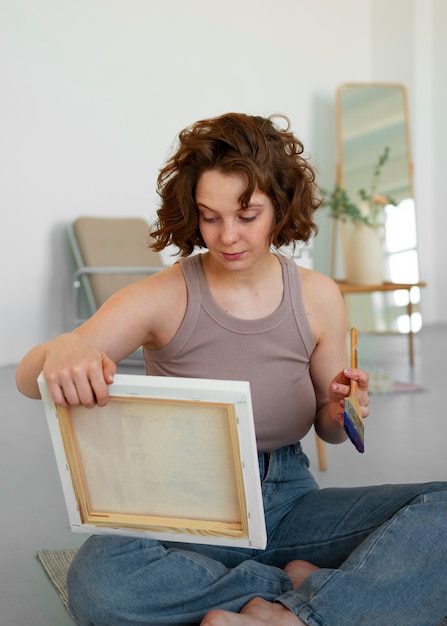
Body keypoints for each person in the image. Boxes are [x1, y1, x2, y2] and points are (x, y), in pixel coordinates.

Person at [16, 113, 447, 626]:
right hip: (181, 507)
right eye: (210, 217)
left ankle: (293, 619)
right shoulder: (164, 295)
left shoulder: (317, 296)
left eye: (247, 216)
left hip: (287, 502)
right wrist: (66, 347)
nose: (227, 237)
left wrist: (342, 408)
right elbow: (27, 377)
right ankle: (302, 587)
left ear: (279, 208)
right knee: (100, 585)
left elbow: (331, 431)